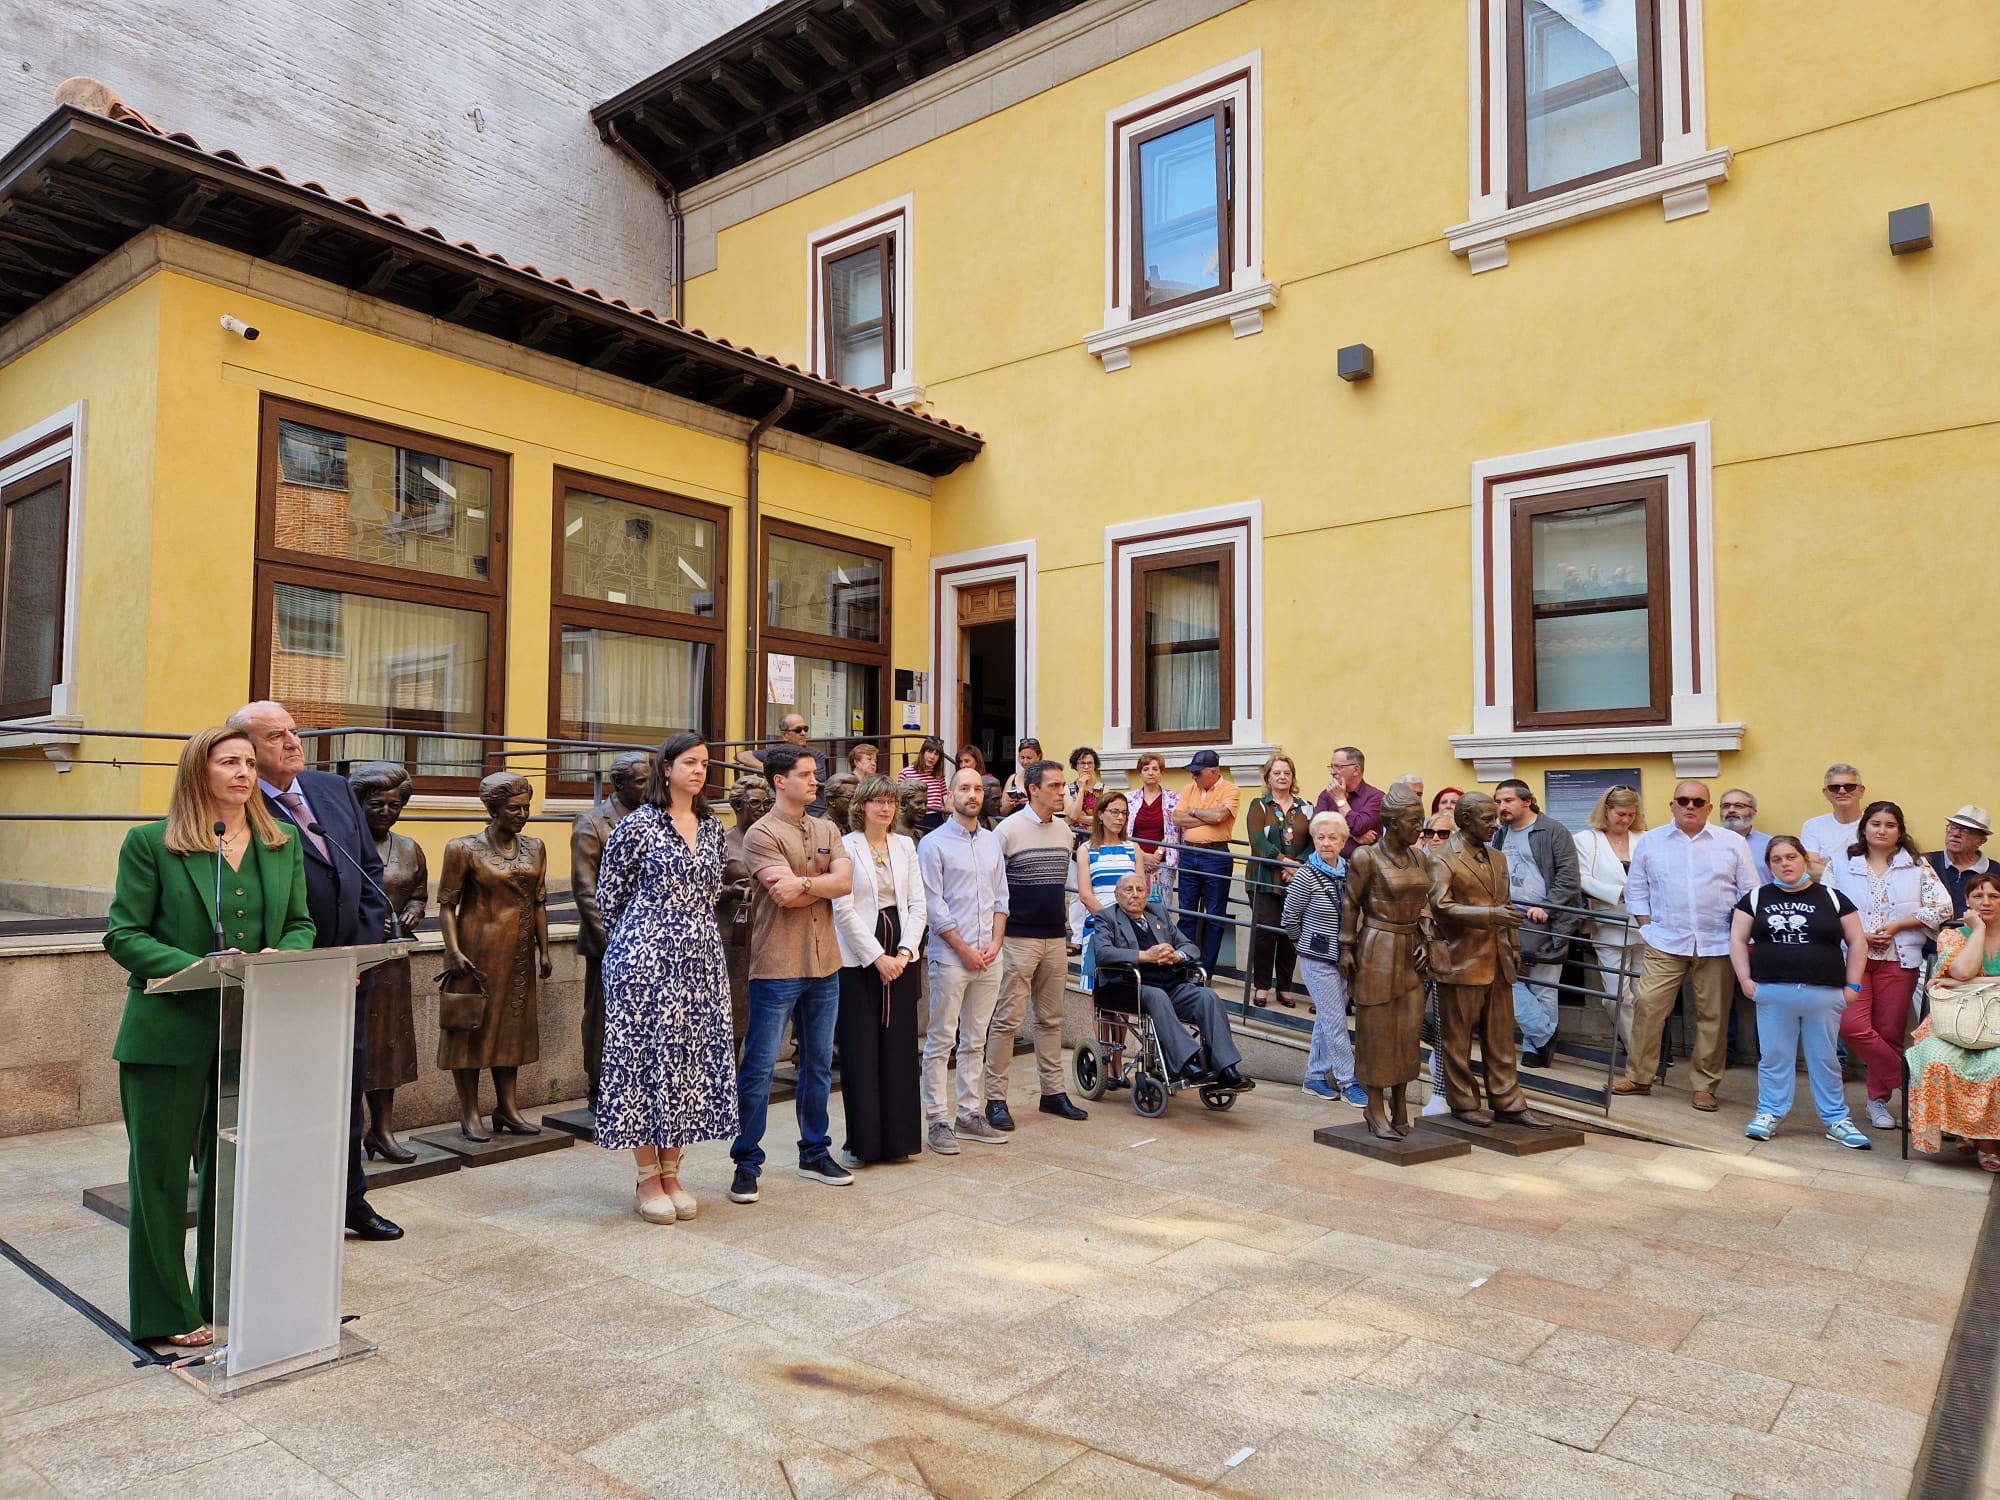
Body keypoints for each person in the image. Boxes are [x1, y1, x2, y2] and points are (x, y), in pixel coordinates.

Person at [104, 727, 317, 1347]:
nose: (244, 772)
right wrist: (197, 969)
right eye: (230, 762)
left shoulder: (281, 845)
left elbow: (302, 922)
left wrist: (286, 952)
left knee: (235, 1171)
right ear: (199, 771)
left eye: (251, 763)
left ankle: (222, 1296)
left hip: (250, 1035)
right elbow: (123, 934)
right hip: (167, 1034)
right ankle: (167, 1311)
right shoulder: (152, 844)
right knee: (162, 1176)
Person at [230, 701, 399, 1242]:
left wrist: (358, 954)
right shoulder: (240, 801)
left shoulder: (330, 789)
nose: (291, 743)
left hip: (348, 972)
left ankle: (351, 1199)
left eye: (294, 732)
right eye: (275, 736)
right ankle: (286, 1203)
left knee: (344, 1089)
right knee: (285, 1092)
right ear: (247, 750)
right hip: (282, 975)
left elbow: (369, 874)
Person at [593, 733, 738, 1223]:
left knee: (685, 1063)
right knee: (642, 1062)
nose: (699, 770)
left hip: (700, 958)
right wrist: (637, 945)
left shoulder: (714, 828)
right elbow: (609, 895)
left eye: (704, 763)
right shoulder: (637, 826)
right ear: (667, 768)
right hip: (644, 956)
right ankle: (645, 1177)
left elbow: (713, 891)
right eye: (689, 763)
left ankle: (672, 1170)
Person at [730, 744, 855, 1200]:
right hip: (777, 965)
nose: (814, 781)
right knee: (760, 1068)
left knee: (818, 1065)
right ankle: (746, 1162)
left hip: (826, 965)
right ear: (779, 781)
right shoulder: (760, 834)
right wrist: (820, 886)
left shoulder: (827, 827)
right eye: (805, 775)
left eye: (814, 774)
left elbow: (846, 883)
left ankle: (814, 1152)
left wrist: (805, 884)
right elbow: (781, 895)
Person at [1618, 781, 1757, 1110]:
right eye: (1683, 800)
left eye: (1698, 801)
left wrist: (1741, 937)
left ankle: (1705, 1085)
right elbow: (1636, 890)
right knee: (1648, 1004)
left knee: (1713, 1016)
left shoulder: (1732, 843)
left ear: (1709, 808)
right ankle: (1639, 1076)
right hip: (1665, 939)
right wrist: (1646, 928)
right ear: (1672, 805)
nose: (1690, 806)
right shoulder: (1652, 842)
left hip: (1717, 942)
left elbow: (1750, 893)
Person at [1728, 834, 1871, 1149]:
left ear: (1804, 859)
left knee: (1826, 1059)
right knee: (1774, 1057)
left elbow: (1858, 941)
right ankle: (1769, 1113)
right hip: (1774, 993)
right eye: (1776, 860)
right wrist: (1745, 979)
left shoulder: (1833, 898)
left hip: (1825, 994)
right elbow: (1737, 940)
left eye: (1790, 857)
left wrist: (1852, 985)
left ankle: (1836, 1120)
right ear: (1769, 866)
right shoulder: (1755, 898)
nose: (1784, 864)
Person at [436, 772, 553, 1141]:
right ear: (493, 809)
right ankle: (469, 1112)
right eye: (512, 808)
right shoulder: (463, 848)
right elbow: (446, 905)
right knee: (469, 1031)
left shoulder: (536, 847)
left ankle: (507, 1106)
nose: (521, 814)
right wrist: (452, 950)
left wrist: (544, 949)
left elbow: (539, 903)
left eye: (525, 807)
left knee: (511, 1031)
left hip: (517, 953)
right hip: (475, 950)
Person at [1821, 800, 1951, 1130]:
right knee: (1851, 1025)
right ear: (1864, 827)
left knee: (1890, 1032)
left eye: (1890, 825)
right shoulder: (1840, 864)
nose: (1882, 830)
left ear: (1900, 831)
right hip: (1854, 958)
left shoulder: (1918, 866)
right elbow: (1825, 910)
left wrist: (1897, 926)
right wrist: (1861, 935)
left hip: (1900, 959)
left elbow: (1944, 907)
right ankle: (1908, 1079)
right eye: (1876, 823)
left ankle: (1878, 1102)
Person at [987, 758, 1090, 1126]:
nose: (1063, 791)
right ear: (1033, 789)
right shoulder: (1007, 832)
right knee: (1006, 1022)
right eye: (1056, 786)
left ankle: (1053, 1093)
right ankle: (995, 1100)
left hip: (1054, 940)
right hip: (1017, 940)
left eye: (1064, 786)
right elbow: (992, 890)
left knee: (1051, 1020)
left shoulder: (1065, 832)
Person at [1355, 786, 1462, 1134]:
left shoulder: (1419, 858)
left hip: (1410, 947)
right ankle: (1374, 1107)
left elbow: (1427, 901)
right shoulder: (1366, 857)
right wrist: (1344, 950)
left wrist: (1427, 935)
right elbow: (1348, 905)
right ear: (1393, 822)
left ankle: (1399, 1101)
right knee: (1377, 1029)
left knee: (1407, 1029)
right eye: (1415, 823)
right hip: (1378, 944)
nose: (1422, 829)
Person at [832, 774, 927, 1165]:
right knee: (861, 1050)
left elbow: (919, 904)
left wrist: (904, 953)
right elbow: (843, 908)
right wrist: (877, 957)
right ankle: (865, 1144)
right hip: (860, 958)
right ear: (861, 807)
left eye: (890, 802)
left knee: (900, 1050)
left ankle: (898, 1142)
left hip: (901, 954)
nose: (885, 808)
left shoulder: (905, 845)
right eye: (877, 802)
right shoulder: (847, 846)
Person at [917, 766, 1010, 1154]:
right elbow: (934, 907)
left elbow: (1001, 898)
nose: (972, 795)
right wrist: (964, 948)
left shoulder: (992, 842)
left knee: (975, 1040)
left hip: (989, 957)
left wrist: (995, 943)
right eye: (964, 788)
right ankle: (937, 1119)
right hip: (951, 958)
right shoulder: (933, 844)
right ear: (949, 796)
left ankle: (969, 1114)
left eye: (977, 789)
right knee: (941, 1040)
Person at [1094, 873, 1256, 1092]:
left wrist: (1177, 956)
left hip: (1170, 984)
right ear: (1117, 895)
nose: (1135, 895)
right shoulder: (1107, 917)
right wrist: (1145, 956)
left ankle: (1226, 1068)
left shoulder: (1157, 913)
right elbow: (1103, 953)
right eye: (1128, 890)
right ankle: (1189, 1063)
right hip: (1129, 987)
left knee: (1206, 996)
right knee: (1156, 996)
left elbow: (1191, 947)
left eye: (1140, 890)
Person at [350, 761, 427, 1163]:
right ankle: (349, 1132)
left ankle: (382, 1130)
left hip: (395, 961)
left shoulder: (410, 848)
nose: (386, 812)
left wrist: (414, 909)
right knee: (355, 1046)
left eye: (394, 805)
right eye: (377, 804)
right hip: (357, 959)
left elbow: (418, 892)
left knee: (389, 1048)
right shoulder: (341, 843)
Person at [571, 750, 651, 1111]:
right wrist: (612, 943)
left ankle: (638, 1084)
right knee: (603, 1017)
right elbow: (584, 889)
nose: (649, 786)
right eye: (640, 780)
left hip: (651, 938)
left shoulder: (654, 820)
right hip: (610, 940)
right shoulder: (592, 824)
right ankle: (598, 1087)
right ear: (617, 784)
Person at [1907, 870, 2000, 1168]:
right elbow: (1962, 971)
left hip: (1996, 1025)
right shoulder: (1952, 934)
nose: (1986, 902)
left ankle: (1987, 1142)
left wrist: (1965, 984)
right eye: (1978, 896)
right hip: (1954, 1025)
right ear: (1967, 901)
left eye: (1994, 896)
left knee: (1997, 1065)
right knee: (1936, 1059)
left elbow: (1960, 980)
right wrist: (1979, 931)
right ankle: (1962, 1130)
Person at [1491, 780, 1581, 1070]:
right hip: (1508, 918)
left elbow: (1568, 876)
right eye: (1498, 801)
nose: (1502, 807)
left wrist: (1546, 906)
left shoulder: (1553, 830)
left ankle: (1534, 1046)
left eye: (1508, 800)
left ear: (1526, 801)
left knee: (1544, 986)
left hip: (1546, 921)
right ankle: (1543, 1033)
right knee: (1506, 979)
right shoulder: (1500, 833)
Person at [1282, 811, 1365, 1106]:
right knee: (1335, 1019)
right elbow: (1289, 917)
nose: (1326, 843)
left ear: (1343, 841)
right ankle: (1348, 1080)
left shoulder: (1351, 871)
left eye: (1333, 837)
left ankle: (1314, 1077)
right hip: (1317, 957)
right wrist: (1302, 944)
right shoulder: (1306, 874)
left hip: (1344, 957)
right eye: (1320, 837)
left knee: (1328, 1020)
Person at [1572, 784, 1644, 1066]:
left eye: (1630, 814)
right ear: (1606, 811)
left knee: (1644, 995)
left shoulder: (1644, 838)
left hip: (1645, 926)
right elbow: (1582, 878)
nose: (1625, 820)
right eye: (1620, 814)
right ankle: (1636, 1049)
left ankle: (1645, 1048)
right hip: (1608, 923)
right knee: (1616, 996)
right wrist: (1619, 892)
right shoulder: (1586, 839)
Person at [1246, 752, 1312, 1009]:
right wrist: (1285, 861)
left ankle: (1284, 986)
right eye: (1277, 773)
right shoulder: (1259, 806)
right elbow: (1258, 842)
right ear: (1268, 777)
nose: (1282, 777)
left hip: (1297, 880)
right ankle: (1262, 986)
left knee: (1290, 933)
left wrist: (1298, 865)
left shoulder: (1306, 806)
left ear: (1292, 777)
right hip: (1264, 879)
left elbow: (1314, 841)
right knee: (1266, 933)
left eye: (1287, 772)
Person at [1173, 749, 1240, 974]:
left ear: (1213, 771)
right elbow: (1177, 818)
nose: (1194, 777)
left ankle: (1206, 971)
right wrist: (1205, 815)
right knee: (1187, 913)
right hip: (1189, 854)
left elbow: (1220, 817)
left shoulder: (1231, 789)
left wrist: (1193, 812)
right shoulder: (1188, 788)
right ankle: (1186, 966)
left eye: (1198, 773)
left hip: (1216, 855)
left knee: (1214, 915)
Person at [718, 773, 771, 1045]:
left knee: (764, 1018)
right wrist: (731, 891)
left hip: (769, 934)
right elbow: (703, 891)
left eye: (766, 804)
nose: (762, 810)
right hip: (734, 937)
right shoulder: (723, 843)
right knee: (735, 1013)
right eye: (755, 804)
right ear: (738, 806)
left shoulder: (771, 842)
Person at [1073, 791, 1141, 991]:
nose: (1120, 817)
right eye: (1114, 812)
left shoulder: (1133, 848)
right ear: (1100, 814)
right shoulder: (1086, 849)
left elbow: (1141, 889)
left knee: (1125, 992)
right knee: (1096, 993)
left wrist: (1125, 923)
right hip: (1099, 927)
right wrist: (1112, 922)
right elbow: (1086, 895)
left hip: (1130, 928)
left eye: (1124, 813)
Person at [1417, 811, 1456, 1115]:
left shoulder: (1460, 865)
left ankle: (1441, 1093)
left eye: (1444, 833)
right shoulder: (1416, 862)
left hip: (1449, 953)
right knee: (1413, 1020)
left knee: (1444, 1026)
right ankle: (1437, 1058)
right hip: (1415, 952)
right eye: (1431, 833)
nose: (1436, 839)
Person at [737, 714, 832, 817]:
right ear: (784, 735)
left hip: (814, 812)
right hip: (783, 813)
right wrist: (766, 769)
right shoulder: (777, 753)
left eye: (805, 729)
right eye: (798, 730)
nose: (803, 733)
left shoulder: (815, 755)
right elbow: (741, 756)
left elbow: (818, 780)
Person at [1129, 751, 1180, 903]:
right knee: (1135, 902)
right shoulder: (1129, 799)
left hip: (1163, 861)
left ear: (1161, 772)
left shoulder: (1174, 798)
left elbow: (1174, 829)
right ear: (1140, 773)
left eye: (1155, 769)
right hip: (1135, 860)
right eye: (1146, 769)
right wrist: (1144, 856)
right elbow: (1123, 831)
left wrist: (1158, 854)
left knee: (1162, 905)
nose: (1150, 773)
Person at [1800, 763, 1866, 877]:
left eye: (1849, 786)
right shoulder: (1813, 826)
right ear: (1826, 793)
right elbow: (1809, 868)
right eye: (1834, 787)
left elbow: (1881, 866)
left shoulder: (1876, 825)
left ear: (1861, 791)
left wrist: (1828, 864)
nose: (1842, 791)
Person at [1316, 746, 1383, 859]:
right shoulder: (1327, 795)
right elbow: (1316, 827)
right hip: (1328, 865)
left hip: (1362, 868)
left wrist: (1340, 799)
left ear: (1356, 770)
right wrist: (1352, 836)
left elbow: (1358, 827)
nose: (1332, 772)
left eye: (1338, 767)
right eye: (1331, 767)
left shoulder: (1376, 797)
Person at [1929, 806, 1993, 918]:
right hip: (1930, 934)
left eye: (1966, 830)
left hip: (1977, 934)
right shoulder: (1925, 863)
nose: (1955, 834)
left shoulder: (1995, 872)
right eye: (1953, 827)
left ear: (1981, 841)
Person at [1718, 789, 1774, 885]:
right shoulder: (1709, 843)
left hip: (1759, 899)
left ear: (1753, 812)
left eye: (1739, 806)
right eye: (1726, 806)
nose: (1731, 810)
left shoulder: (1770, 845)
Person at [897, 736, 949, 835]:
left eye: (936, 754)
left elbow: (942, 800)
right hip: (915, 815)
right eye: (929, 752)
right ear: (923, 752)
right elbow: (899, 798)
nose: (932, 757)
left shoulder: (939, 775)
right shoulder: (906, 772)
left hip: (935, 818)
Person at [1063, 747, 1106, 842]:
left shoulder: (1104, 789)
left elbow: (1104, 818)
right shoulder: (1068, 789)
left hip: (1098, 837)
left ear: (1095, 766)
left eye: (1090, 763)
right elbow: (1073, 815)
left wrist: (1077, 818)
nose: (1086, 767)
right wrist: (1081, 789)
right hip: (1075, 838)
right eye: (1082, 763)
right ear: (1076, 766)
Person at [1001, 736, 1042, 806]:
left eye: (1029, 758)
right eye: (1022, 757)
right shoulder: (1013, 778)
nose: (1025, 762)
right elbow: (1003, 811)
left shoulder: (1046, 777)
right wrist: (1011, 804)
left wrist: (1030, 803)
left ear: (1039, 756)